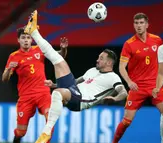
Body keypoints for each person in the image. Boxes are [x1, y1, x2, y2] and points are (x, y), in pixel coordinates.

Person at [23, 10, 128, 143]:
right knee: (56, 59)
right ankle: (33, 31)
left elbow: (123, 92)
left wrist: (115, 98)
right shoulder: (92, 70)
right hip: (74, 89)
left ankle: (46, 132)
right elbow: (77, 81)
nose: (97, 60)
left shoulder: (113, 77)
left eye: (101, 58)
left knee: (57, 93)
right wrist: (55, 84)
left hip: (81, 100)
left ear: (108, 63)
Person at [112, 13, 163, 143]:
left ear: (147, 25)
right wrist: (129, 82)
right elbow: (121, 67)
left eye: (141, 23)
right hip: (137, 87)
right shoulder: (129, 44)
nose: (139, 26)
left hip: (154, 85)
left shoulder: (157, 40)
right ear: (133, 25)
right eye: (136, 23)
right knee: (126, 121)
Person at [2, 26, 67, 143]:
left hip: (43, 92)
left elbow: (58, 56)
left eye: (28, 37)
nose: (26, 40)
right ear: (18, 40)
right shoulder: (14, 56)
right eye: (23, 38)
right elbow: (4, 79)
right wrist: (8, 70)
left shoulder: (39, 49)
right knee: (21, 132)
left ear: (32, 39)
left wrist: (63, 50)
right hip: (26, 97)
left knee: (50, 118)